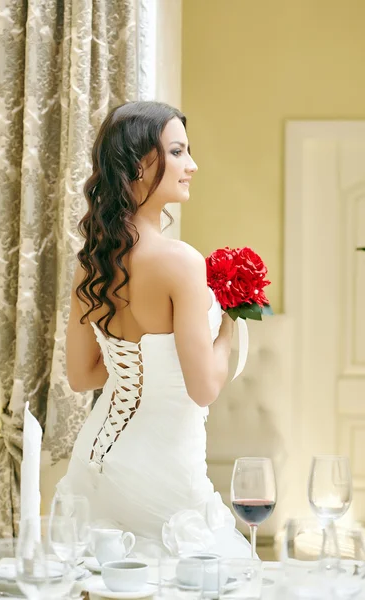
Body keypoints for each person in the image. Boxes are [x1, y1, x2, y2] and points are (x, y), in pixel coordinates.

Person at [59, 101, 251, 558]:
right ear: (143, 165)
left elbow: (82, 376)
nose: (192, 165)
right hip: (164, 471)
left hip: (96, 461)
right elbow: (203, 388)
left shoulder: (93, 262)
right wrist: (230, 325)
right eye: (179, 152)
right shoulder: (180, 261)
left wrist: (139, 368)